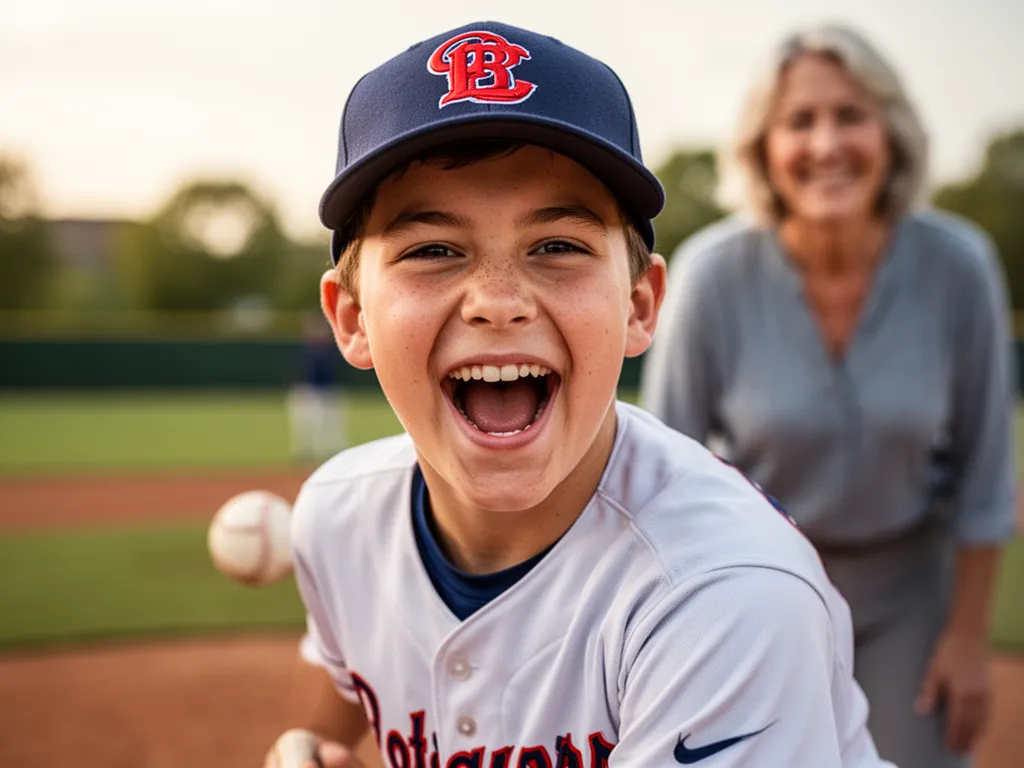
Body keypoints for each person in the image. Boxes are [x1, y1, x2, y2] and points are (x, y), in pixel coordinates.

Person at [266, 21, 896, 768]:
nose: (497, 302)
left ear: (639, 305)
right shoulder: (338, 518)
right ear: (351, 317)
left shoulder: (725, 594)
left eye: (557, 246)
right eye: (433, 250)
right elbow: (336, 708)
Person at [641, 23, 1016, 768]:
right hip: (761, 586)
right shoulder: (710, 275)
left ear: (891, 132)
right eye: (798, 121)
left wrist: (969, 638)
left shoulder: (959, 266)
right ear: (763, 148)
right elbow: (661, 473)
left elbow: (985, 478)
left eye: (851, 115)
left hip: (910, 587)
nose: (826, 143)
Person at [286, 311, 348, 463]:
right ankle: (304, 452)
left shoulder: (331, 349)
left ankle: (333, 453)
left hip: (328, 390)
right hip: (309, 391)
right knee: (305, 425)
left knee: (331, 425)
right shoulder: (307, 349)